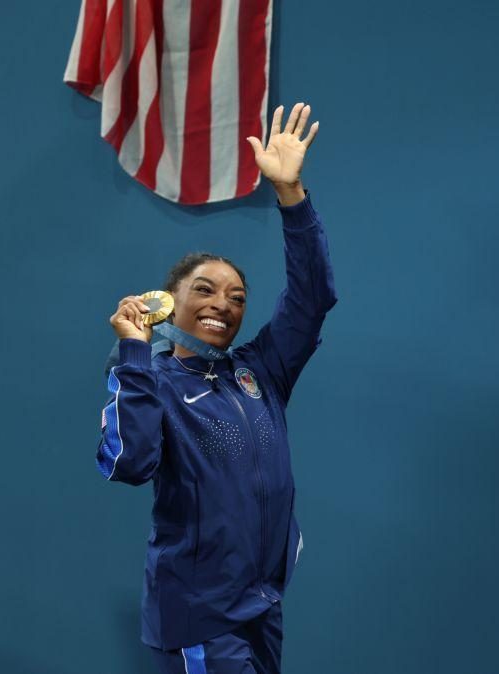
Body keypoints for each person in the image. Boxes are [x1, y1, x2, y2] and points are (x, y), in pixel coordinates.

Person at [97, 102, 336, 673]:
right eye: (204, 290)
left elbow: (313, 297)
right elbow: (128, 462)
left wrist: (291, 195)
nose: (222, 305)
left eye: (235, 298)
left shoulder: (260, 372)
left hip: (262, 607)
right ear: (169, 301)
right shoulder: (152, 380)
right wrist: (134, 352)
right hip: (199, 620)